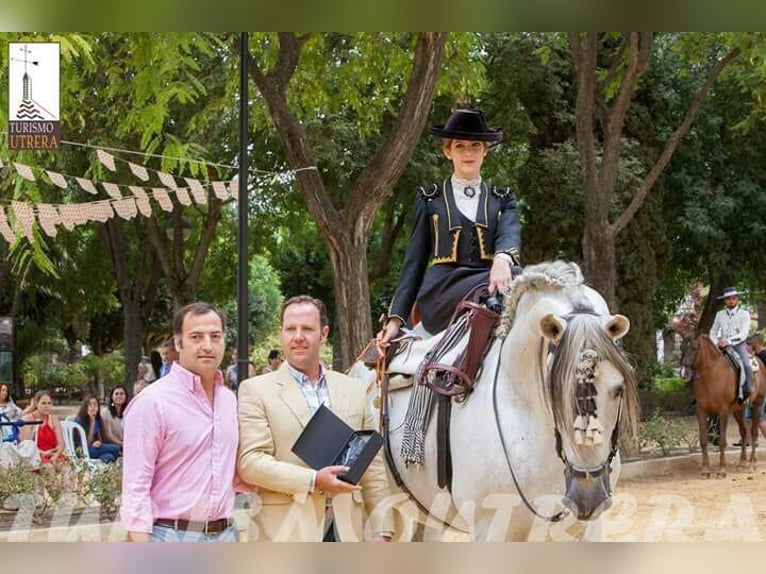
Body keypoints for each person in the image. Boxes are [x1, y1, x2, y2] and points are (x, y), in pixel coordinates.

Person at [237, 295, 394, 542]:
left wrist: (382, 531)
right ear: (281, 333)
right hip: (286, 532)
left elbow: (372, 466)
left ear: (323, 333)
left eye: (307, 329)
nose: (298, 336)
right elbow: (251, 462)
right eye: (291, 329)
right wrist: (313, 480)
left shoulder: (353, 389)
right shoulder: (255, 390)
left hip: (347, 531)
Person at [377, 108, 521, 349]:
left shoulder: (503, 199)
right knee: (515, 280)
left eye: (475, 145)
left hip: (492, 285)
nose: (468, 153)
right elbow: (414, 262)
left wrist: (503, 259)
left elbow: (509, 233)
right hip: (442, 292)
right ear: (447, 152)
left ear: (485, 151)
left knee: (525, 279)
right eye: (460, 146)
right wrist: (395, 319)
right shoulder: (429, 198)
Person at [121, 302, 238, 542]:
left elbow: (235, 472)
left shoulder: (229, 401)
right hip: (170, 535)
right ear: (178, 343)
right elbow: (136, 488)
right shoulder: (152, 402)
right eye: (196, 336)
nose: (207, 345)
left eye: (215, 336)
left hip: (226, 534)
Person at [709, 287, 753, 403]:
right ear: (725, 301)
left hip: (738, 345)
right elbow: (713, 331)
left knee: (746, 365)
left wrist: (728, 341)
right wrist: (715, 343)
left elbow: (744, 333)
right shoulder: (719, 314)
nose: (731, 301)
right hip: (722, 346)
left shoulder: (744, 314)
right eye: (728, 299)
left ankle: (747, 390)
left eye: (733, 298)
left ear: (737, 299)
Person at [19, 390, 67, 467]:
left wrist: (56, 455)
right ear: (36, 404)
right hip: (35, 457)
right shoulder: (28, 419)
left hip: (53, 454)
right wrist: (43, 453)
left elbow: (61, 443)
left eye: (49, 403)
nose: (46, 406)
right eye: (43, 403)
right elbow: (26, 446)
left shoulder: (54, 419)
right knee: (49, 468)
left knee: (66, 469)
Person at [74, 395, 121, 463]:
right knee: (116, 448)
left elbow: (99, 438)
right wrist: (92, 422)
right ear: (85, 407)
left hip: (95, 448)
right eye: (90, 405)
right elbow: (85, 444)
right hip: (83, 450)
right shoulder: (80, 421)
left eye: (95, 405)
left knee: (110, 457)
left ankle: (97, 466)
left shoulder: (97, 419)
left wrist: (99, 442)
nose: (93, 407)